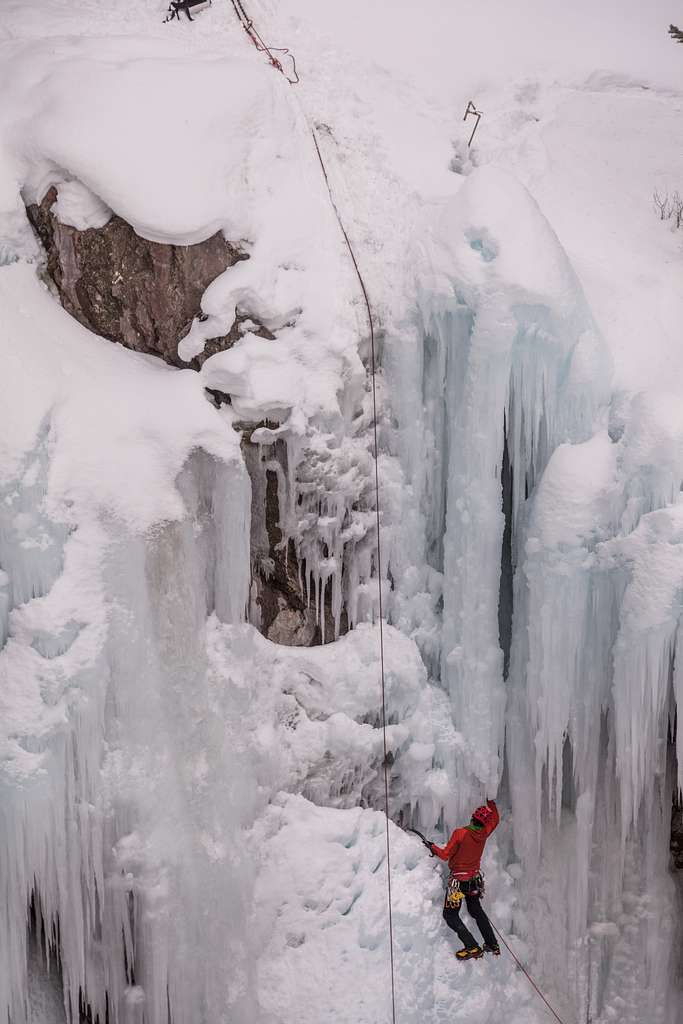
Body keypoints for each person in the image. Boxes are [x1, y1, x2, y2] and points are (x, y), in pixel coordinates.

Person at [430, 799, 500, 961]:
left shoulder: (460, 833)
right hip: (474, 880)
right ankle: (492, 943)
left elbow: (445, 855)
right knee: (476, 909)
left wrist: (432, 847)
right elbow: (495, 819)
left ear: (472, 818)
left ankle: (472, 946)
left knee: (450, 915)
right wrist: (492, 802)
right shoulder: (484, 833)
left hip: (457, 883)